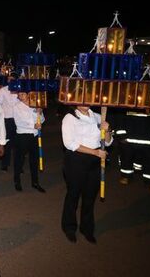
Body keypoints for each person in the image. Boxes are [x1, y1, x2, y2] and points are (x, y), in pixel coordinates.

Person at [61, 105, 112, 244]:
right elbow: (69, 143)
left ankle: (87, 228)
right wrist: (95, 152)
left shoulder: (97, 116)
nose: (84, 102)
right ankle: (69, 227)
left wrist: (107, 130)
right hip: (76, 160)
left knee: (90, 196)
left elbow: (108, 141)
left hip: (95, 161)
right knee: (73, 194)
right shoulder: (70, 118)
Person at [115, 108, 150, 192]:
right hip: (129, 141)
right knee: (126, 159)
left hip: (149, 142)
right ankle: (126, 177)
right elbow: (120, 122)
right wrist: (122, 136)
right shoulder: (128, 105)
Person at [12, 92, 46, 192]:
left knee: (34, 160)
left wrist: (39, 112)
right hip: (23, 135)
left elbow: (42, 120)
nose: (20, 95)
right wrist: (33, 125)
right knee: (19, 159)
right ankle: (17, 180)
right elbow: (19, 121)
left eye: (22, 93)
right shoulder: (17, 106)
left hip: (35, 135)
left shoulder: (34, 104)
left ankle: (35, 182)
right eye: (19, 94)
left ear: (28, 94)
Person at [0, 72, 19, 172]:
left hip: (19, 120)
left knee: (18, 144)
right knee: (6, 143)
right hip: (7, 119)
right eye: (8, 79)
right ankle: (5, 164)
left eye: (12, 79)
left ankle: (18, 166)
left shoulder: (20, 89)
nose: (10, 81)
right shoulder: (3, 90)